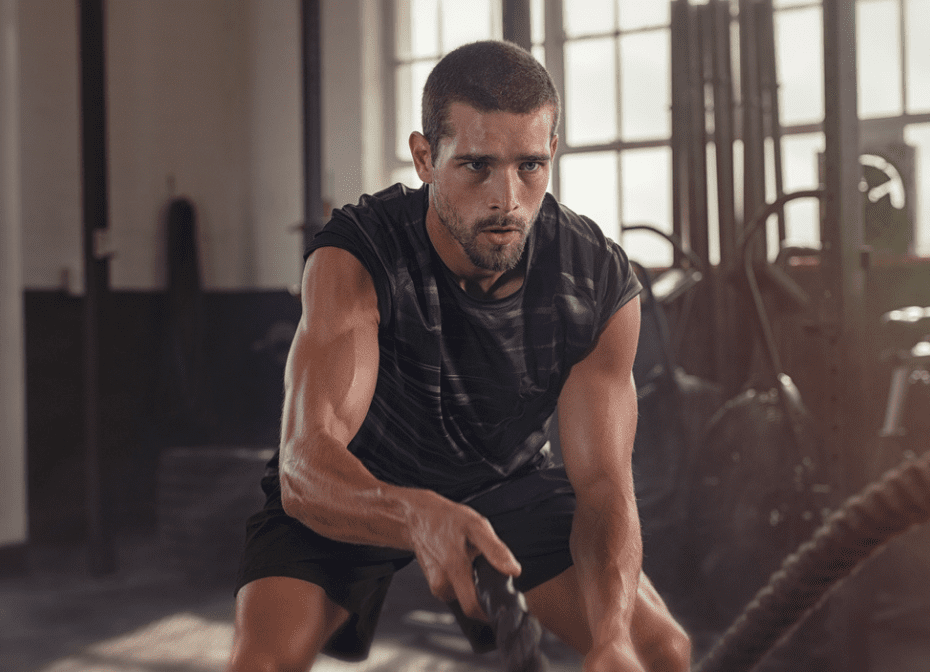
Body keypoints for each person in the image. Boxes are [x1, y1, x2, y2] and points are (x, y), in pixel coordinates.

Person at [227, 40, 691, 672]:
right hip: (360, 480)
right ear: (425, 157)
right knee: (261, 666)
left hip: (505, 480)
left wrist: (609, 637)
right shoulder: (358, 258)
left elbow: (605, 485)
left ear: (551, 153)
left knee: (657, 653)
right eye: (477, 166)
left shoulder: (595, 281)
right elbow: (305, 463)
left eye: (530, 165)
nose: (507, 199)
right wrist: (414, 514)